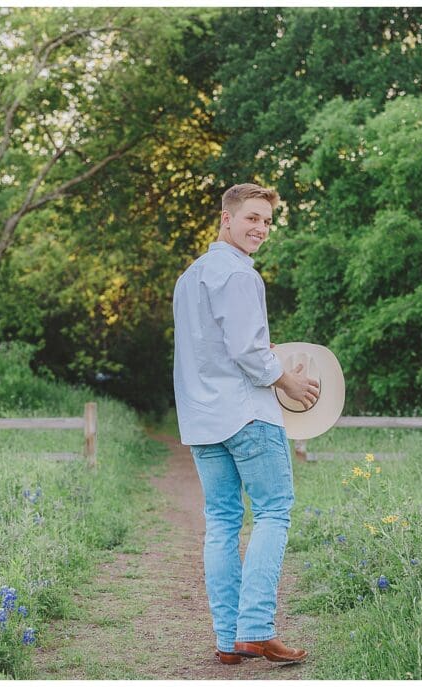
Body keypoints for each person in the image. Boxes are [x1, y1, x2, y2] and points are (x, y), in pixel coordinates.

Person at [172, 182, 318, 665]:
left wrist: (263, 357)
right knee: (275, 510)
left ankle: (229, 638)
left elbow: (213, 350)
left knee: (222, 522)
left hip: (202, 418)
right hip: (247, 414)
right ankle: (255, 628)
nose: (261, 228)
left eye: (267, 221)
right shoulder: (238, 275)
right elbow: (246, 352)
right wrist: (287, 383)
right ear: (226, 218)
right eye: (252, 218)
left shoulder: (191, 277)